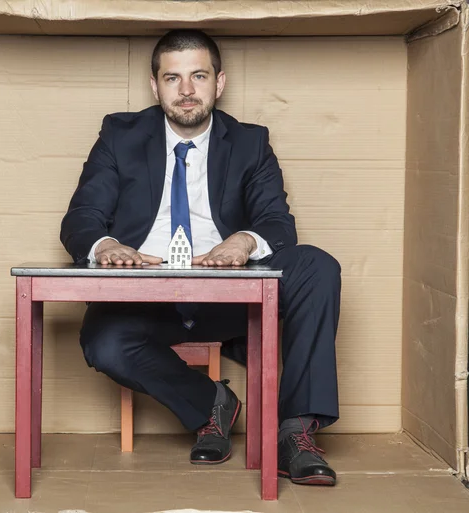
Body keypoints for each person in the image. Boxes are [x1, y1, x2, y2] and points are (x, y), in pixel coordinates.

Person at [60, 29, 341, 486]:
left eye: (198, 76)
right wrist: (105, 245)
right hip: (146, 298)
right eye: (173, 78)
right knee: (104, 341)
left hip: (227, 296)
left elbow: (277, 222)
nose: (186, 90)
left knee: (316, 265)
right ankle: (212, 404)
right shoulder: (119, 134)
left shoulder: (250, 142)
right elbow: (81, 217)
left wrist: (243, 242)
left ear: (219, 82)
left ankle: (295, 432)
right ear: (156, 86)